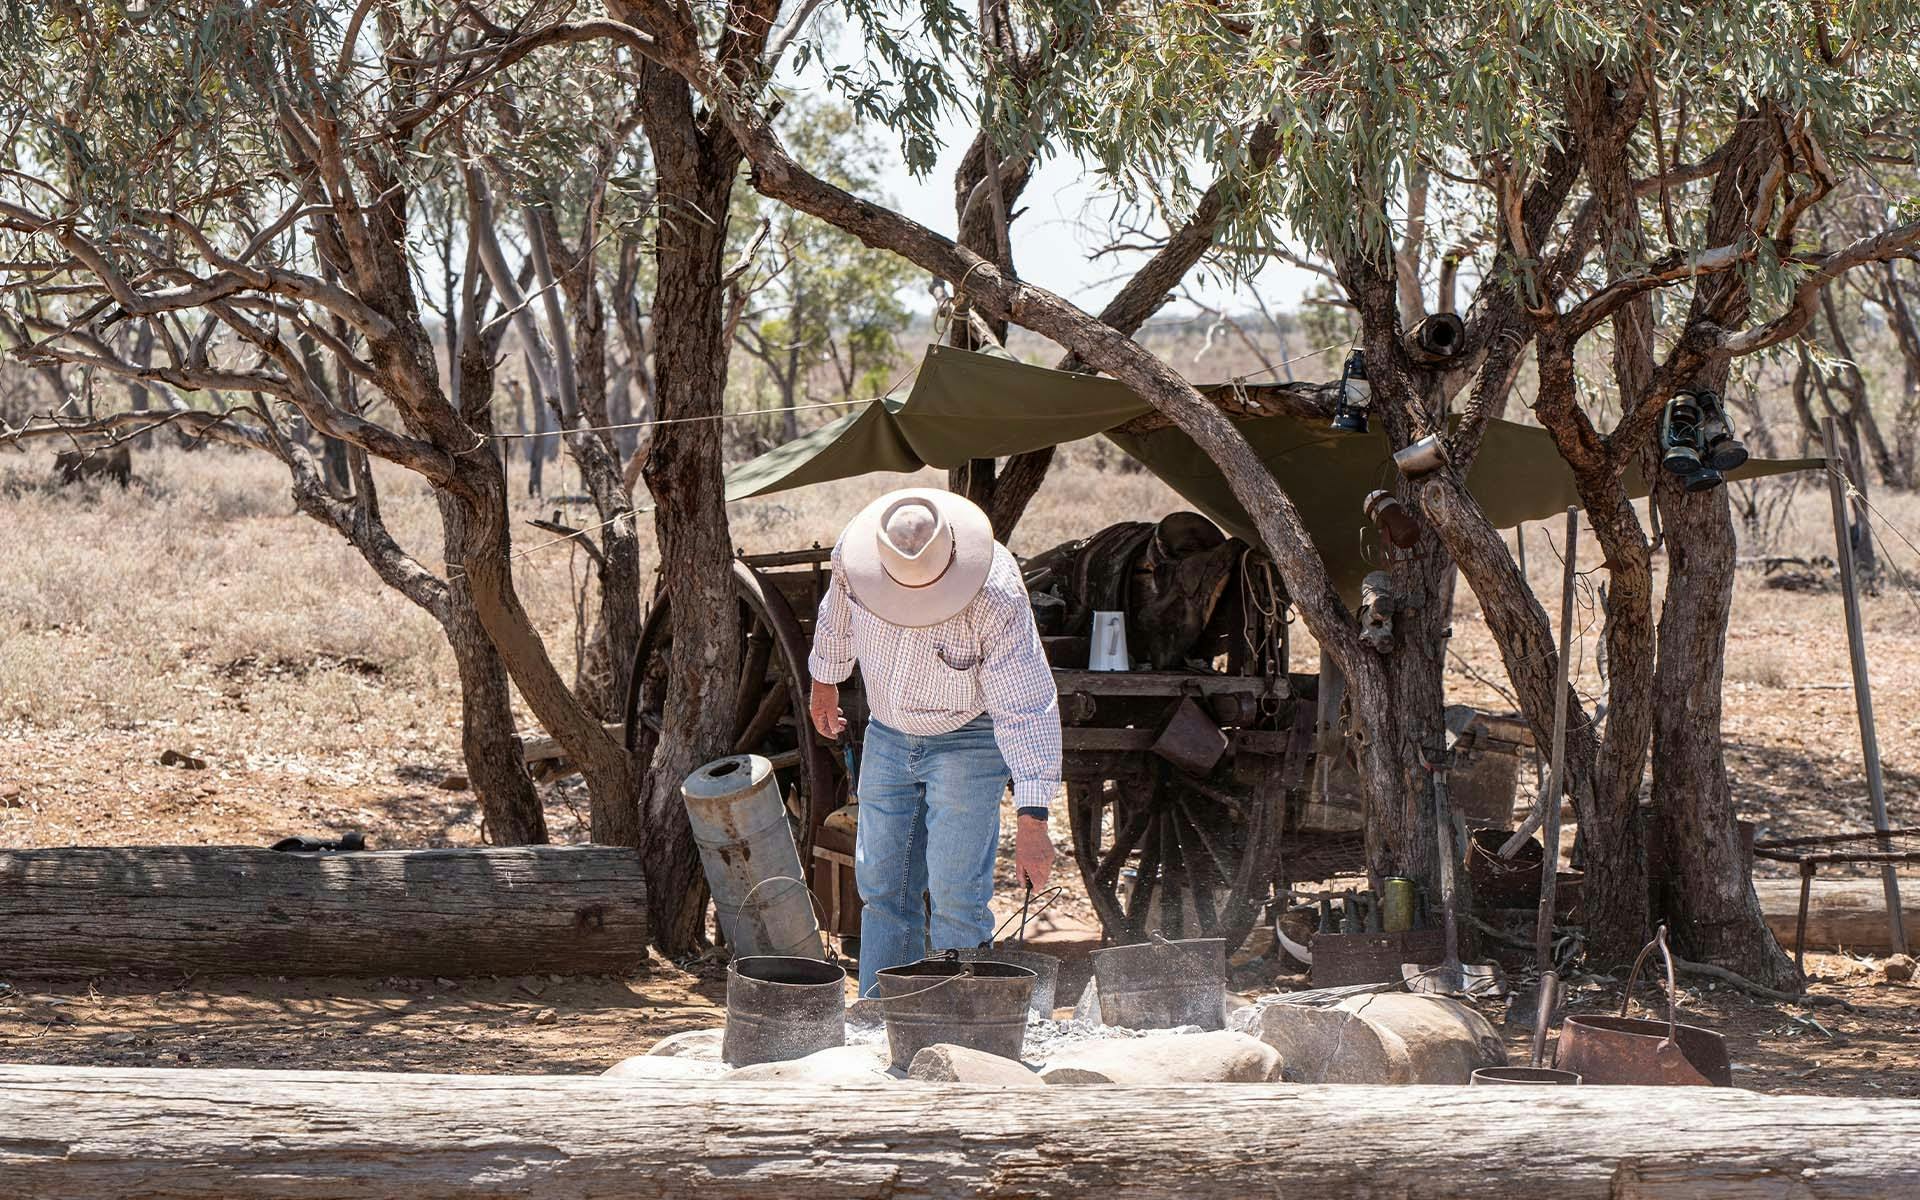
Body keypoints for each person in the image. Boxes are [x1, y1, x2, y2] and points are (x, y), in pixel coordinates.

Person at [807, 487, 1061, 997]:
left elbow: (1026, 706)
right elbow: (836, 616)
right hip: (887, 730)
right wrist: (825, 680)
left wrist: (1034, 821)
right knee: (882, 888)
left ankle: (957, 1018)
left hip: (968, 737)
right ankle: (881, 1014)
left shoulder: (995, 594)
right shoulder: (854, 560)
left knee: (957, 894)